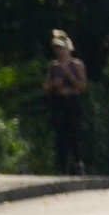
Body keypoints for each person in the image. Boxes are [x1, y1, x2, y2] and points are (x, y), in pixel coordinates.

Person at [44, 31, 88, 175]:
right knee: (60, 134)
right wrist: (54, 84)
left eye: (61, 48)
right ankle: (62, 166)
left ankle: (78, 163)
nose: (59, 51)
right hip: (59, 102)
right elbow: (46, 87)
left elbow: (82, 87)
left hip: (73, 101)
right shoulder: (53, 66)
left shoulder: (77, 65)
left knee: (75, 133)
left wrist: (68, 74)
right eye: (57, 49)